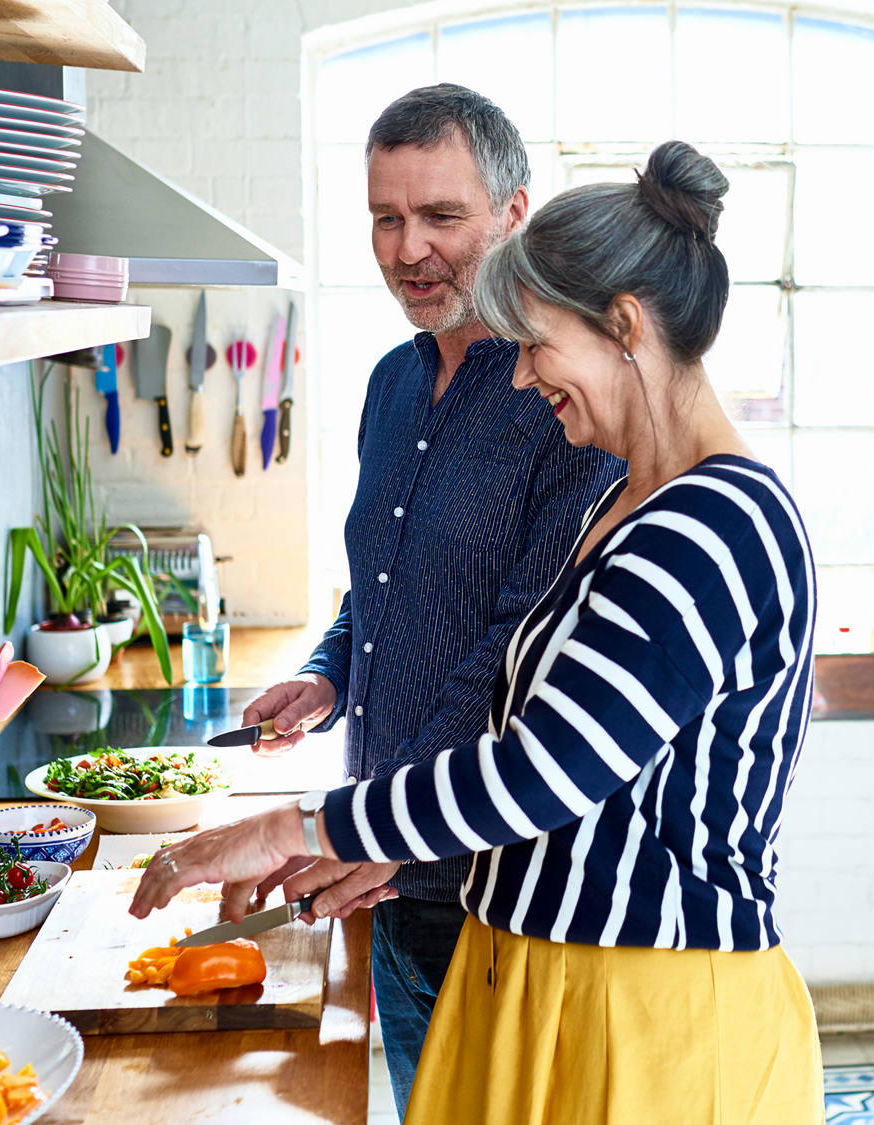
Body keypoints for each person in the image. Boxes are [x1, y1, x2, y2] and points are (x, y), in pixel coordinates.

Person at [133, 141, 822, 1124]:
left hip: (646, 1004)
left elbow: (540, 771)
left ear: (624, 327)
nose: (520, 377)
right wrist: (359, 842)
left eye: (538, 344)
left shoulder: (715, 527)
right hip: (549, 974)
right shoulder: (633, 501)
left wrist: (293, 826)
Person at [236, 84, 623, 1116]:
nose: (409, 248)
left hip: (500, 897)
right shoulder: (389, 385)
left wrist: (360, 828)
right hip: (390, 880)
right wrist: (325, 674)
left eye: (441, 216)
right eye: (385, 217)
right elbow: (384, 584)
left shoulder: (560, 403)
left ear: (513, 215)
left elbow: (512, 651)